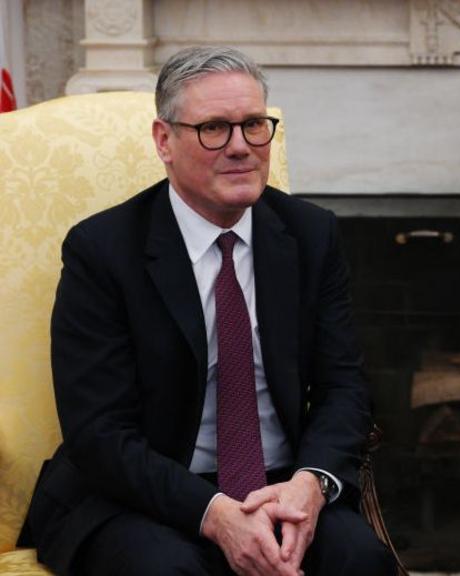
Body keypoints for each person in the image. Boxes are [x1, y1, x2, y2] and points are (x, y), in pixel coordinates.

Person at [20, 46, 396, 576]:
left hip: (282, 485)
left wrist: (310, 484)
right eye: (214, 128)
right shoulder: (103, 250)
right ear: (164, 141)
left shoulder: (311, 235)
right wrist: (215, 514)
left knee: (361, 561)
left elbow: (344, 387)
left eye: (253, 125)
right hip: (140, 494)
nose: (241, 147)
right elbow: (99, 432)